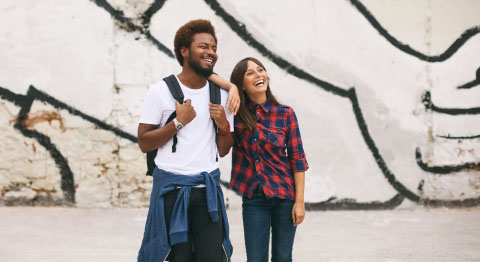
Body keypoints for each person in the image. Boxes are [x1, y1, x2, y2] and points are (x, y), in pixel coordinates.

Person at [136, 19, 239, 262]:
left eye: (214, 48)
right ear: (184, 51)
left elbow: (223, 150)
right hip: (171, 192)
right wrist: (178, 123)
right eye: (203, 46)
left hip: (208, 192)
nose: (211, 52)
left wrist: (224, 126)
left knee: (212, 257)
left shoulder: (222, 95)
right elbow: (144, 142)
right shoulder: (160, 91)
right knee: (176, 257)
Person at [209, 57, 308, 262]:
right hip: (255, 199)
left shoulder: (285, 114)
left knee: (282, 257)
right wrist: (231, 89)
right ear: (242, 85)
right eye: (250, 73)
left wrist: (299, 202)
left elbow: (297, 159)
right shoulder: (235, 114)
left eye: (260, 70)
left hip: (285, 196)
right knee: (255, 259)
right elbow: (205, 74)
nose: (258, 75)